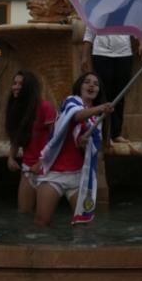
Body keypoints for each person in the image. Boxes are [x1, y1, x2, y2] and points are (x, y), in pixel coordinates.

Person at [32, 72, 114, 227]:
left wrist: (85, 145)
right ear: (79, 86)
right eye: (87, 82)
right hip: (54, 173)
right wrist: (101, 108)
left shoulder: (98, 120)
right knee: (42, 222)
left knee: (85, 226)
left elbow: (96, 153)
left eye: (95, 84)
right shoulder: (71, 102)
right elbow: (76, 116)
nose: (91, 85)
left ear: (99, 91)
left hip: (79, 177)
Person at [81, 28, 142, 144]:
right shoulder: (98, 9)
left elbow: (135, 26)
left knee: (120, 95)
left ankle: (116, 133)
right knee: (104, 94)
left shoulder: (125, 9)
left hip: (124, 54)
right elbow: (89, 32)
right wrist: (84, 56)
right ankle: (104, 133)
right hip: (101, 53)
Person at [4, 70, 56, 214]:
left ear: (29, 87)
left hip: (46, 169)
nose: (15, 87)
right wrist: (11, 157)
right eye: (14, 83)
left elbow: (56, 140)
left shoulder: (45, 107)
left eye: (20, 84)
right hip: (28, 167)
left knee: (42, 218)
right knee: (23, 213)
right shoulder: (16, 109)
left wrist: (41, 163)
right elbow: (16, 137)